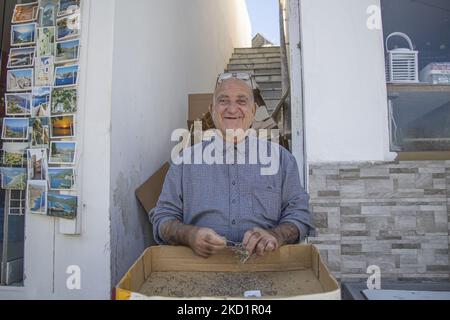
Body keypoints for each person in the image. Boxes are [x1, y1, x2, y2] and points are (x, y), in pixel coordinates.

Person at [150, 72, 314, 259]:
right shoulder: (183, 161)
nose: (232, 109)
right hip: (200, 269)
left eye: (242, 101)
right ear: (212, 110)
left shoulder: (283, 160)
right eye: (224, 101)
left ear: (253, 111)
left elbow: (300, 215)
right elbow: (162, 218)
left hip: (267, 266)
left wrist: (276, 235)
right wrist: (189, 235)